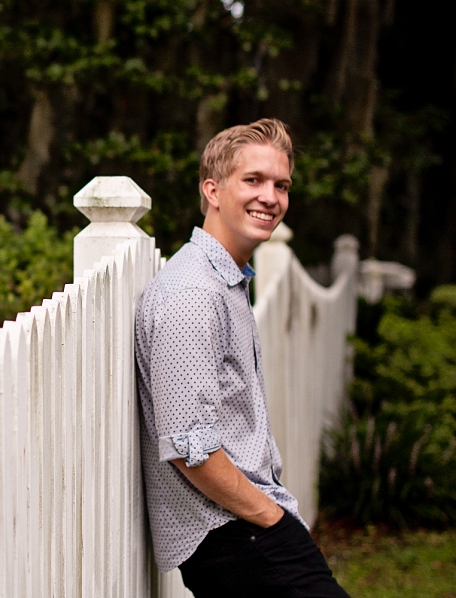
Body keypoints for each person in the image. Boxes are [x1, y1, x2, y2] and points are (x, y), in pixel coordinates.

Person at [134, 118, 350, 597]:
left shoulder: (225, 281)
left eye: (281, 185)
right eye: (253, 180)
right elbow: (190, 446)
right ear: (212, 190)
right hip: (232, 534)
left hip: (248, 527)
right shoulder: (193, 292)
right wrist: (269, 517)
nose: (270, 197)